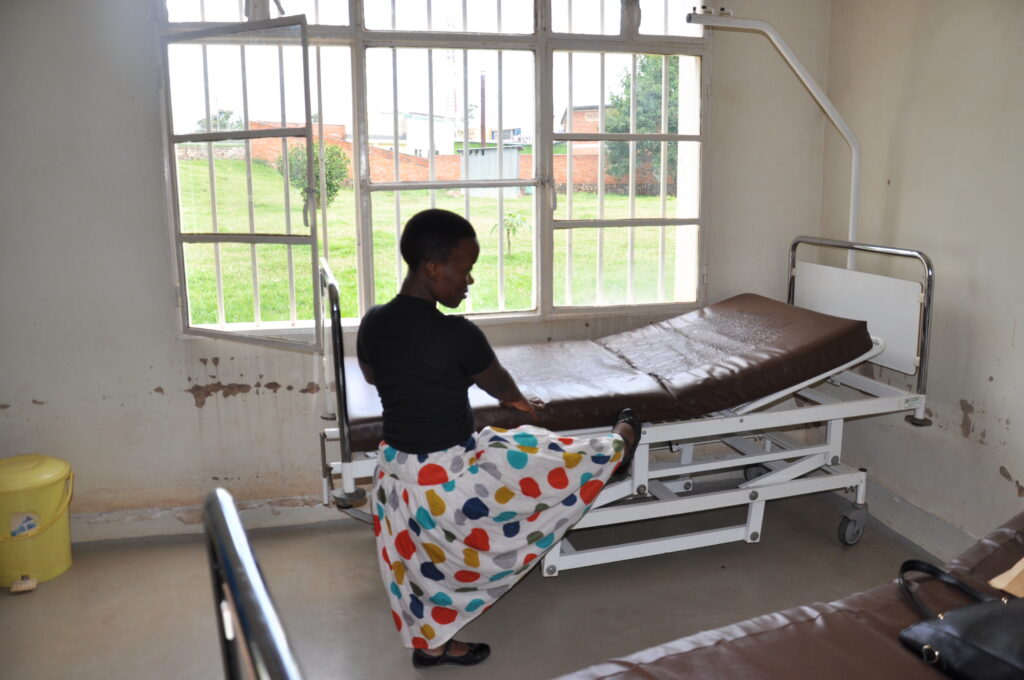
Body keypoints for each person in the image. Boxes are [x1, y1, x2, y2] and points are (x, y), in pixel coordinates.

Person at [356, 208, 641, 668]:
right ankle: (617, 449)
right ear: (432, 268)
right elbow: (500, 385)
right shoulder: (458, 334)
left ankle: (431, 645)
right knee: (539, 451)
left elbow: (372, 376)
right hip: (449, 479)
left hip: (394, 481)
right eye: (464, 271)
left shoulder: (372, 322)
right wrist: (523, 406)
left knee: (418, 571)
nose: (468, 282)